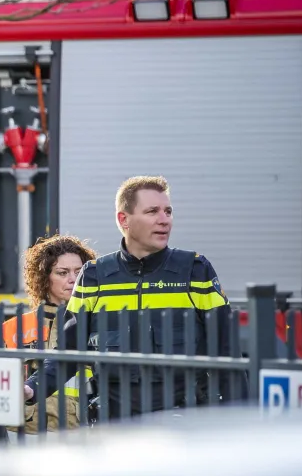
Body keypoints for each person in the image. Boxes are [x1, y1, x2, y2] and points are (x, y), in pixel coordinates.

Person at [27, 175, 233, 419]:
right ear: (123, 219)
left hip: (184, 428)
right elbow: (69, 354)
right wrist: (32, 387)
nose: (164, 220)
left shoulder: (196, 270)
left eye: (168, 211)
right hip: (116, 429)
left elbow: (227, 354)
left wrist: (243, 423)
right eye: (152, 211)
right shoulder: (94, 276)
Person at [3, 233, 95, 432]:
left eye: (79, 272)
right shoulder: (13, 328)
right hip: (27, 442)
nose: (73, 279)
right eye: (62, 273)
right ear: (44, 278)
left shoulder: (98, 325)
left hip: (83, 441)